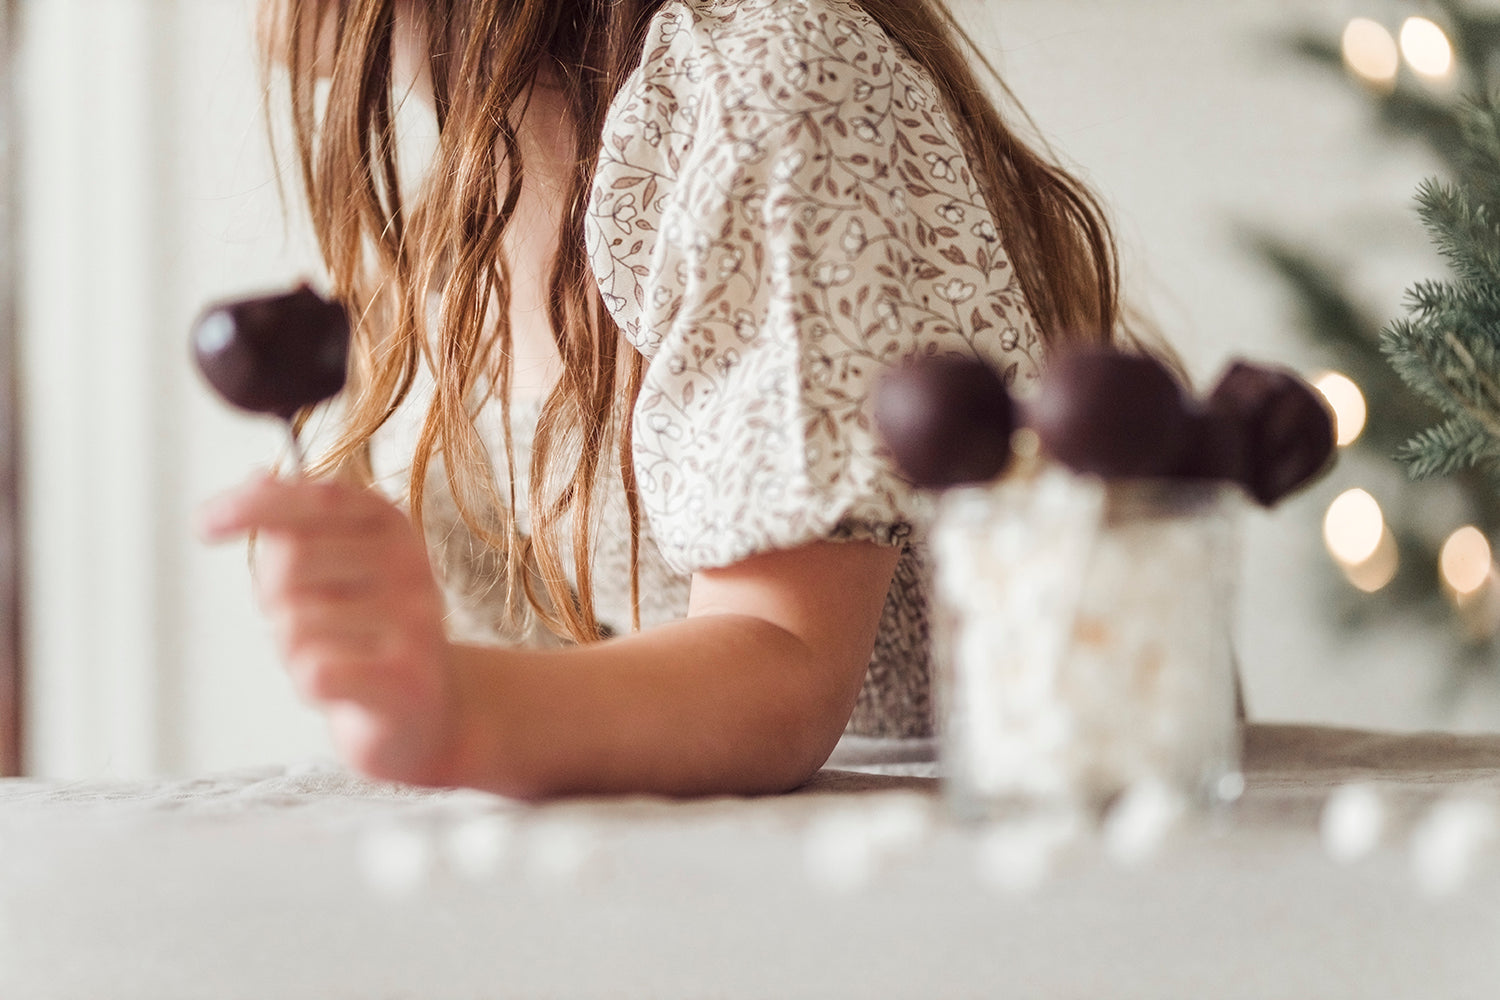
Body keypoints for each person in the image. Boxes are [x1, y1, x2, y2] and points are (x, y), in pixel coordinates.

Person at [199, 0, 1127, 798]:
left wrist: (454, 705)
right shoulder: (453, 221)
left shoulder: (767, 89)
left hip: (1033, 844)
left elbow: (781, 662)